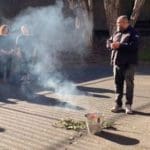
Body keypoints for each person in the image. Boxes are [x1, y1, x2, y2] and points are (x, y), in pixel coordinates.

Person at [106, 15, 139, 114]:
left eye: (119, 23)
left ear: (125, 23)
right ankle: (118, 104)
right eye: (117, 23)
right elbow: (109, 41)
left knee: (129, 85)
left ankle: (128, 105)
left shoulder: (133, 33)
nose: (117, 25)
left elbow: (134, 46)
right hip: (117, 63)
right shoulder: (116, 32)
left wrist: (120, 45)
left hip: (129, 63)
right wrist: (110, 45)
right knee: (117, 84)